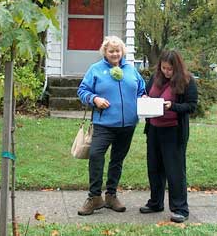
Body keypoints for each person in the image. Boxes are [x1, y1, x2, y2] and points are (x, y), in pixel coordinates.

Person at [77, 36, 145, 215]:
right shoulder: (96, 69)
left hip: (128, 125)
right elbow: (82, 90)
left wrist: (144, 98)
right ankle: (94, 197)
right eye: (111, 51)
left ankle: (111, 196)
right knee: (96, 155)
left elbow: (141, 90)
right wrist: (95, 99)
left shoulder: (131, 70)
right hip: (103, 124)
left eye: (118, 50)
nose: (115, 54)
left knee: (117, 160)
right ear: (105, 52)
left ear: (122, 52)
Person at [139, 49, 198, 223]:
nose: (166, 72)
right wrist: (145, 98)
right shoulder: (155, 78)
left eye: (170, 69)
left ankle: (180, 208)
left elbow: (191, 106)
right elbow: (148, 94)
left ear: (177, 67)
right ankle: (155, 202)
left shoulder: (187, 81)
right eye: (164, 68)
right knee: (154, 168)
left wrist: (172, 106)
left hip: (174, 132)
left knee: (175, 171)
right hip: (154, 130)